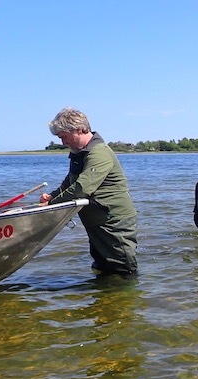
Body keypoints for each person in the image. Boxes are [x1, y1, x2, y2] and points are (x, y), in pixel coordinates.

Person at [40, 107, 138, 275]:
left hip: (113, 221)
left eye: (64, 137)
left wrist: (52, 205)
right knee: (102, 267)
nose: (63, 143)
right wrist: (53, 195)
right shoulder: (80, 153)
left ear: (78, 130)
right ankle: (104, 299)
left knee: (123, 270)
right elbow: (70, 181)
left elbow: (81, 188)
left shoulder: (99, 153)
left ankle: (125, 299)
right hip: (96, 220)